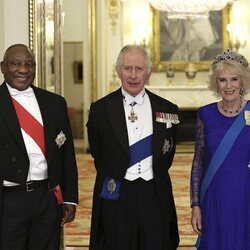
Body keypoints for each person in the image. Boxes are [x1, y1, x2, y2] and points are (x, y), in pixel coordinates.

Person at [86, 44, 180, 250]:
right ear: (118, 71)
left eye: (139, 69)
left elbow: (167, 155)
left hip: (153, 192)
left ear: (148, 72)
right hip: (117, 193)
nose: (133, 75)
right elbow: (98, 152)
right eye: (128, 68)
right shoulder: (101, 109)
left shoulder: (167, 109)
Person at [0, 44, 78, 250]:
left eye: (29, 64)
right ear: (3, 67)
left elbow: (67, 155)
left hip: (46, 197)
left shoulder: (54, 103)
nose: (23, 70)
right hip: (9, 200)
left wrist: (70, 198)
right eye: (15, 64)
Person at [190, 49, 250, 249]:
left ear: (242, 82)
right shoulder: (205, 114)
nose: (229, 86)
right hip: (214, 197)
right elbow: (198, 161)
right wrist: (196, 206)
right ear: (216, 83)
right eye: (223, 80)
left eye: (234, 79)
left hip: (244, 195)